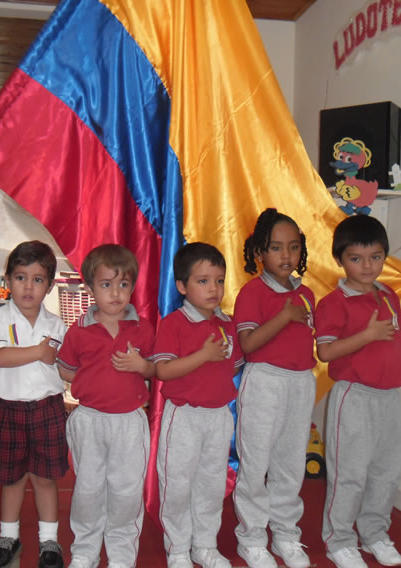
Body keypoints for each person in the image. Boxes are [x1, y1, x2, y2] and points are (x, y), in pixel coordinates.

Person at [315, 215, 401, 568]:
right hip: (353, 396)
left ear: (384, 257)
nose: (367, 266)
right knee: (348, 473)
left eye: (376, 257)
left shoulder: (387, 295)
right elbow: (325, 352)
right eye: (357, 258)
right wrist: (365, 336)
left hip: (388, 397)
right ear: (340, 259)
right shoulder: (333, 303)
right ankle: (339, 540)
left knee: (385, 471)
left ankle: (374, 533)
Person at [56, 244, 156, 568]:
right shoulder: (79, 330)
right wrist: (89, 379)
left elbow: (155, 368)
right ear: (90, 288)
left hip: (129, 421)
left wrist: (141, 366)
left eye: (123, 284)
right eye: (106, 284)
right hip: (90, 420)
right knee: (87, 488)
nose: (115, 293)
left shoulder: (142, 328)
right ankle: (85, 550)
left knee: (126, 491)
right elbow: (66, 369)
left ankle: (121, 553)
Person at [231, 209, 316, 568]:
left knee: (291, 463)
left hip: (300, 383)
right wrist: (283, 316)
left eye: (293, 247)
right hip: (264, 381)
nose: (286, 256)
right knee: (255, 464)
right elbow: (248, 345)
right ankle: (250, 538)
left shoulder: (308, 293)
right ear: (259, 253)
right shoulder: (252, 292)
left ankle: (285, 534)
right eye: (277, 247)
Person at [153, 242, 244, 568]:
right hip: (185, 417)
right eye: (203, 281)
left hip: (219, 416)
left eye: (219, 280)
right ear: (182, 286)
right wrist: (203, 356)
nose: (214, 288)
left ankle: (204, 545)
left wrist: (213, 366)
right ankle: (177, 548)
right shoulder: (174, 323)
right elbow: (162, 370)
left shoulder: (227, 323)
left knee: (211, 484)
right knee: (177, 484)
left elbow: (232, 366)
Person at [0, 241, 68, 568]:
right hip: (9, 409)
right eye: (20, 277)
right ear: (7, 280)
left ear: (49, 285)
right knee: (12, 478)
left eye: (38, 279)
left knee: (45, 478)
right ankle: (8, 536)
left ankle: (49, 541)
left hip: (48, 409)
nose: (28, 286)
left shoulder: (57, 324)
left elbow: (64, 366)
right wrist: (38, 352)